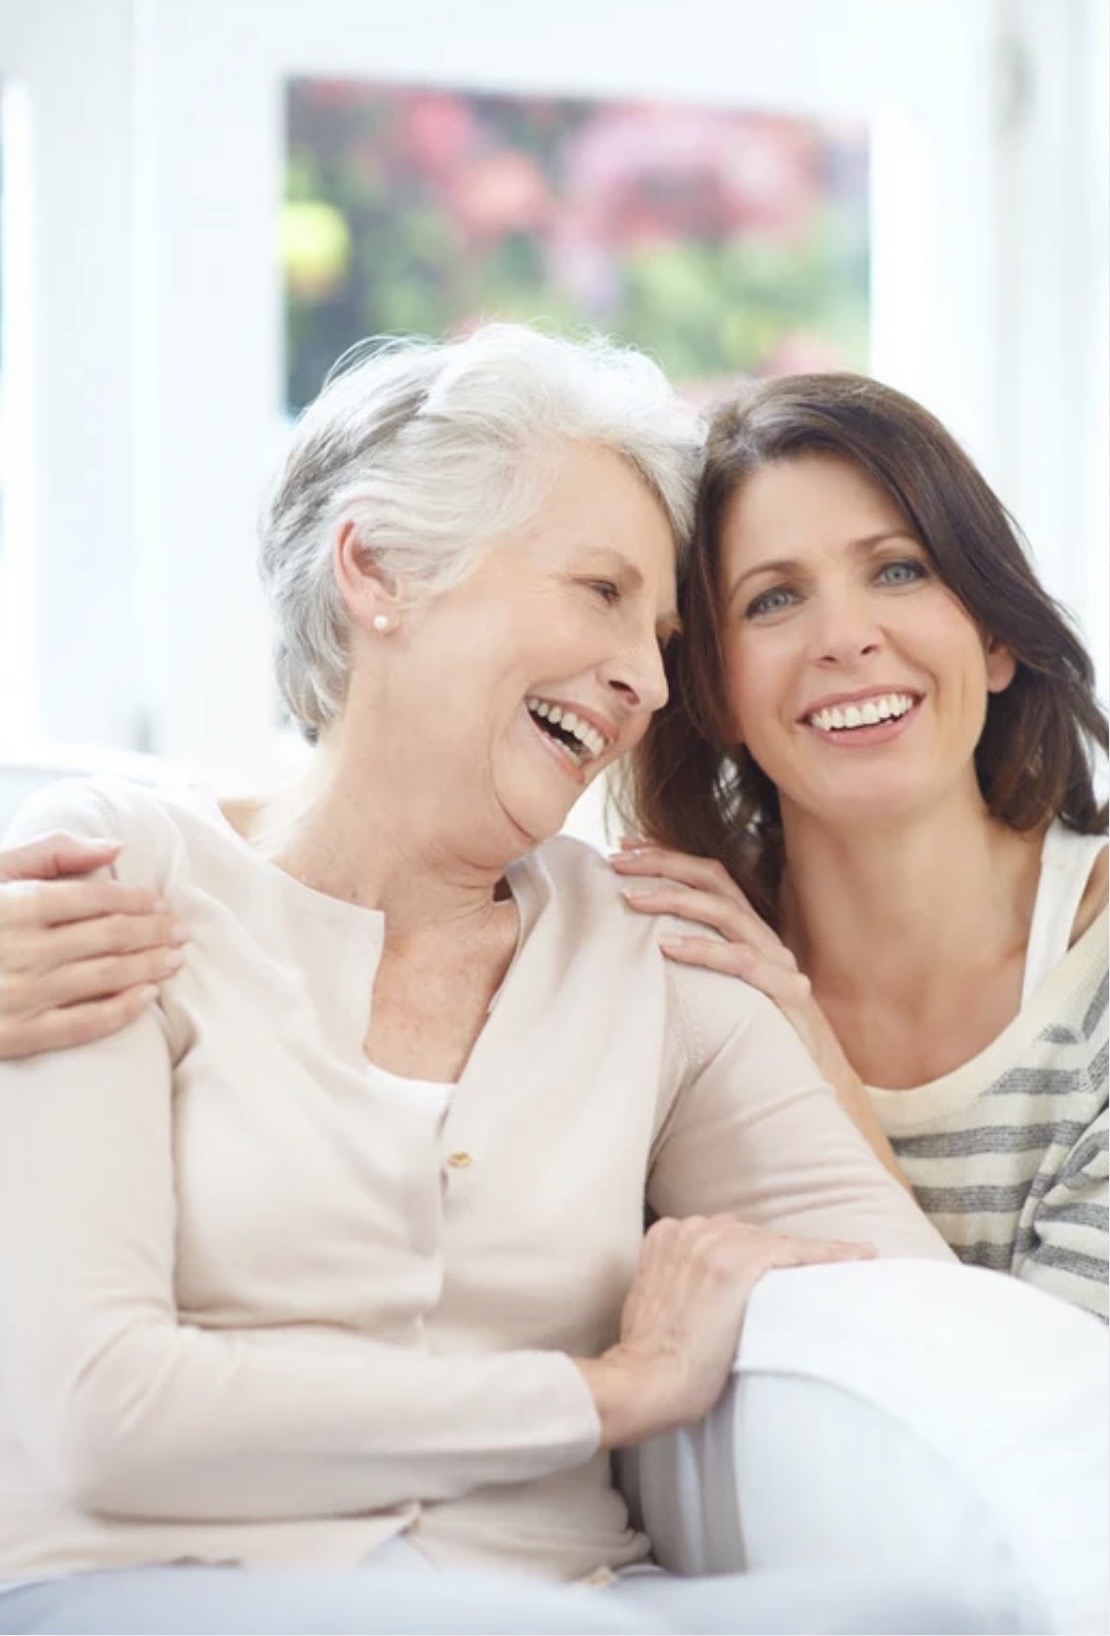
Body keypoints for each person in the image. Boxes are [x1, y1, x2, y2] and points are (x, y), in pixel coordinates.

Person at [0, 325, 1017, 1636]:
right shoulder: (112, 875)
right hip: (158, 1584)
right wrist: (612, 1392)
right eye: (599, 593)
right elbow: (102, 1412)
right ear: (378, 568)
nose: (648, 682)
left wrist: (799, 1028)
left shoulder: (648, 943)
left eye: (662, 633)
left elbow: (913, 1312)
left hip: (562, 1594)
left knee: (943, 1615)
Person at [612, 372, 1108, 1320]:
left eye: (898, 570)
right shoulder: (672, 979)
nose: (845, 638)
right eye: (773, 600)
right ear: (713, 692)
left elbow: (1056, 1396)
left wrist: (815, 1068)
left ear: (995, 637)